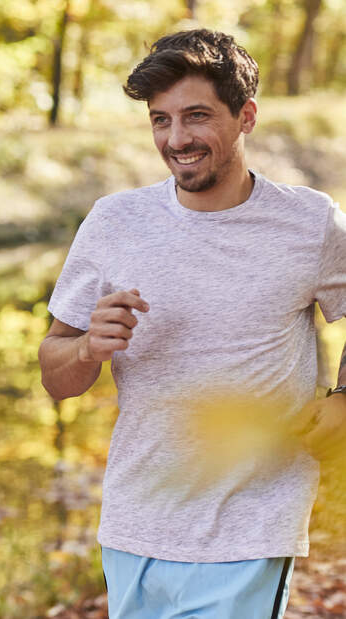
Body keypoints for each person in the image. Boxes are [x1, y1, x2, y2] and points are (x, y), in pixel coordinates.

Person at [39, 29, 346, 617]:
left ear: (246, 115)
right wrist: (85, 352)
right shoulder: (114, 222)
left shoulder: (309, 223)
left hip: (252, 525)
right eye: (160, 120)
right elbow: (55, 376)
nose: (177, 139)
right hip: (134, 522)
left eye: (197, 116)